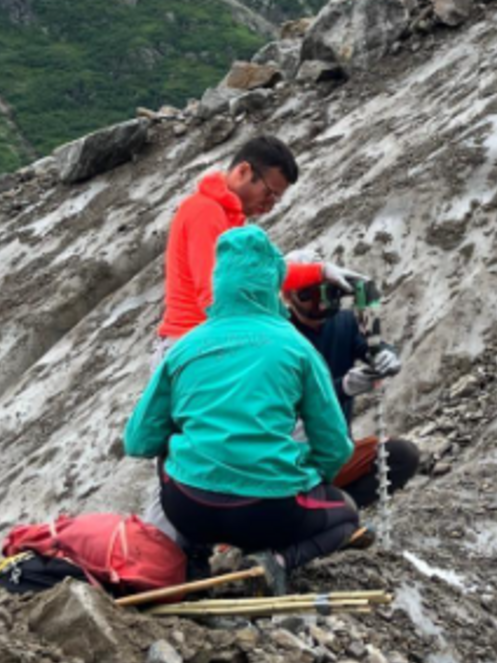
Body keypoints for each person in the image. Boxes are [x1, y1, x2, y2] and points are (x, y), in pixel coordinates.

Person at [125, 224, 358, 595]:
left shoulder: (185, 347)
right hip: (268, 512)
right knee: (345, 514)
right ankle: (273, 564)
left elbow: (138, 440)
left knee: (171, 444)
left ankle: (194, 560)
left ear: (219, 283)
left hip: (188, 508)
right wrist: (310, 478)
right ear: (274, 285)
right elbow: (335, 445)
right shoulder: (297, 348)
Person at [154, 133, 361, 360]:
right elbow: (214, 293)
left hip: (207, 341)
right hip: (193, 347)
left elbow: (263, 273)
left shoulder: (231, 220)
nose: (270, 206)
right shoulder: (206, 211)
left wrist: (320, 272)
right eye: (269, 194)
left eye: (276, 199)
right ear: (243, 171)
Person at [285, 273, 420, 508]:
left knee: (401, 455)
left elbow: (369, 345)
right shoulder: (279, 337)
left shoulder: (343, 323)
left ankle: (336, 509)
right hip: (287, 458)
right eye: (307, 294)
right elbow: (289, 403)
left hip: (335, 450)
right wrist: (342, 387)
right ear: (287, 296)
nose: (318, 302)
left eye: (325, 292)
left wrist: (384, 355)